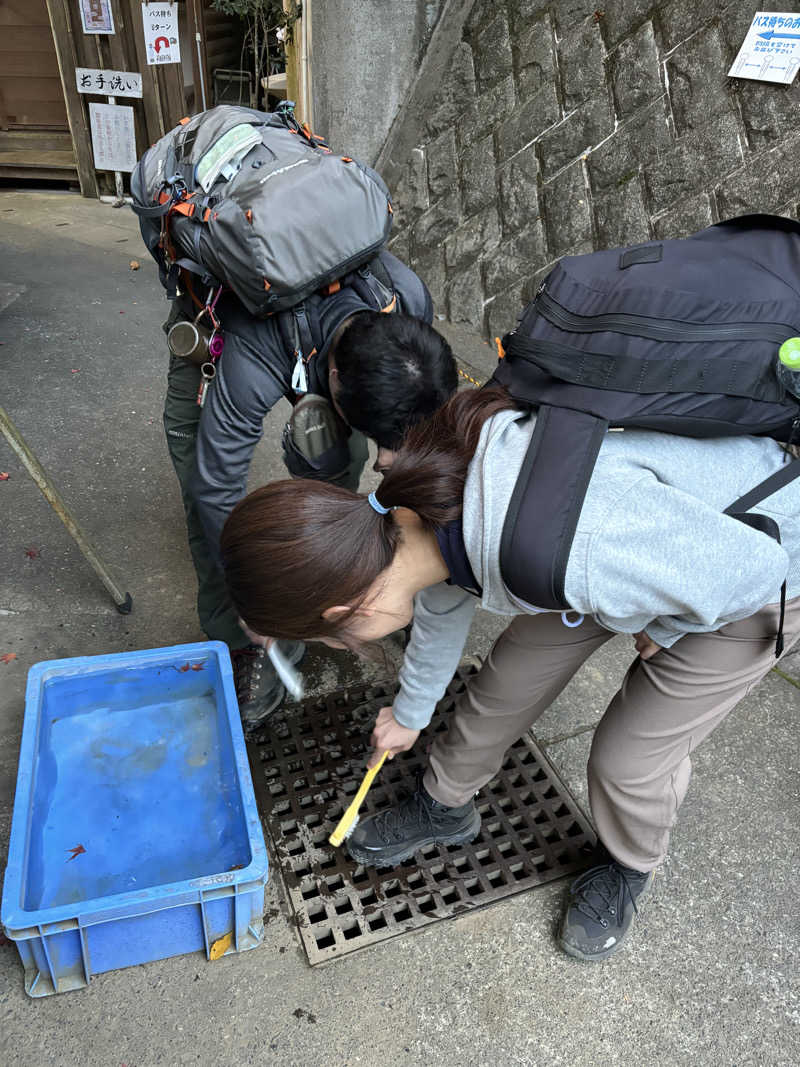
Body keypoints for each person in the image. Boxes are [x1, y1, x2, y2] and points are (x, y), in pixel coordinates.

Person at [218, 382, 800, 961]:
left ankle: (630, 864)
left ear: (347, 611)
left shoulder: (559, 548)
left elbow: (749, 570)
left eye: (334, 639)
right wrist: (410, 714)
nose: (345, 649)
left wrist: (665, 626)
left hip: (758, 568)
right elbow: (441, 606)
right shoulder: (413, 515)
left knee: (630, 761)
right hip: (627, 549)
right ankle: (446, 805)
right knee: (503, 683)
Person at [161, 249, 457, 727]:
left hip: (325, 348)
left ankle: (372, 582)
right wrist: (258, 600)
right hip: (222, 324)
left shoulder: (405, 304)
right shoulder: (253, 355)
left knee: (343, 462)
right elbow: (217, 485)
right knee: (201, 485)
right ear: (335, 378)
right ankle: (242, 641)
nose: (385, 460)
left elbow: (404, 434)